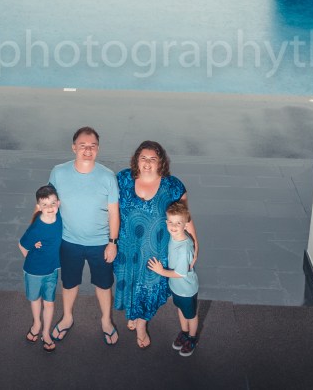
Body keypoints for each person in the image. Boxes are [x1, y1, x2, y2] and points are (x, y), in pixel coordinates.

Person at [113, 140, 198, 349]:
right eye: (143, 158)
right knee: (131, 284)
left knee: (148, 289)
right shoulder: (123, 179)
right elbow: (108, 207)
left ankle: (141, 325)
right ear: (136, 160)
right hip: (127, 249)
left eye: (153, 159)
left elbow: (185, 217)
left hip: (156, 252)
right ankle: (133, 314)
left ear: (161, 162)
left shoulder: (172, 186)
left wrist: (195, 245)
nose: (148, 163)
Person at [47, 126, 120, 346]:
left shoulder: (107, 176)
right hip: (69, 241)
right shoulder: (58, 172)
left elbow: (114, 213)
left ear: (98, 149)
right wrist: (37, 232)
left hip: (100, 243)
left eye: (92, 146)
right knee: (69, 283)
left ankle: (106, 321)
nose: (88, 150)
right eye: (83, 146)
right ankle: (67, 317)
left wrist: (112, 243)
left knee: (104, 285)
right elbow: (47, 204)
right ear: (74, 148)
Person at [147, 200, 200, 357]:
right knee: (181, 310)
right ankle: (184, 332)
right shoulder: (174, 236)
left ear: (186, 225)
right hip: (177, 287)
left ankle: (192, 338)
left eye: (178, 223)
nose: (173, 226)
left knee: (191, 315)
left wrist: (161, 271)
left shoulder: (184, 248)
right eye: (170, 222)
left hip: (186, 289)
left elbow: (180, 273)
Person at [18, 185, 62, 353]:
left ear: (58, 203)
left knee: (49, 303)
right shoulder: (36, 228)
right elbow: (22, 246)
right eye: (45, 204)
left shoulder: (60, 218)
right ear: (39, 207)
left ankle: (45, 333)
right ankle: (36, 324)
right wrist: (34, 258)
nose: (50, 208)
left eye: (53, 203)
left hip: (52, 270)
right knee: (35, 299)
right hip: (34, 272)